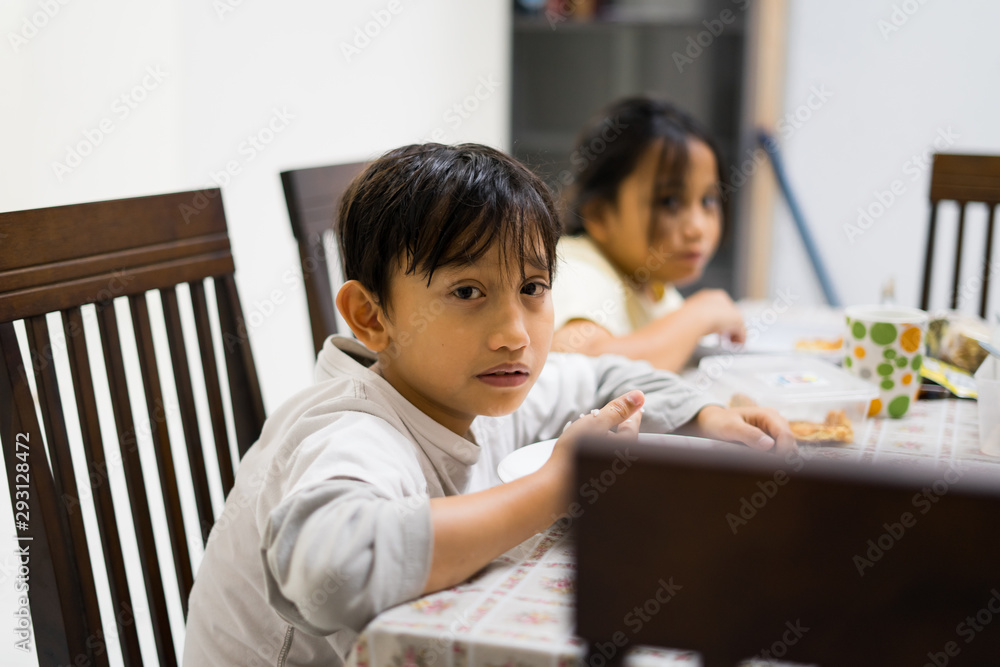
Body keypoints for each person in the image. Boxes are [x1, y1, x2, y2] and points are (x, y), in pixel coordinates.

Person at [182, 143, 794, 667]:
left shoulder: (477, 386)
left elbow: (600, 375)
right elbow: (330, 568)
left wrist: (707, 416)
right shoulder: (351, 430)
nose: (514, 334)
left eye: (532, 288)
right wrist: (557, 485)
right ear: (371, 317)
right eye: (467, 291)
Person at [551, 96, 745, 372]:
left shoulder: (652, 284)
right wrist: (698, 315)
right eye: (669, 202)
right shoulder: (578, 268)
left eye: (708, 200)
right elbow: (578, 360)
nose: (697, 228)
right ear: (600, 215)